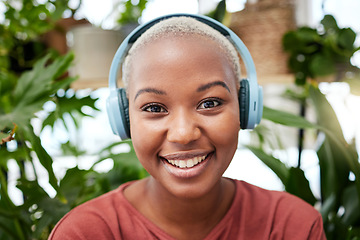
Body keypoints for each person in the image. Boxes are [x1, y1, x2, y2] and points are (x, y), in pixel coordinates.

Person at [49, 14, 326, 240]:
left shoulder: (292, 227)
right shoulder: (85, 233)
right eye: (154, 108)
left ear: (244, 107)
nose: (183, 134)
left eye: (209, 103)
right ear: (124, 118)